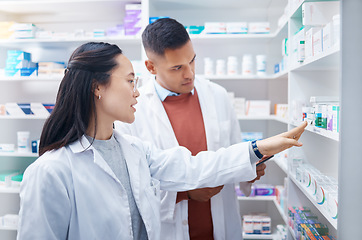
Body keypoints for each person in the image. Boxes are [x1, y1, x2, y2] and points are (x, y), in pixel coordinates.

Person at [17, 42, 307, 240]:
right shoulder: (51, 171)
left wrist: (260, 148)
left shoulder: (133, 150)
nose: (137, 92)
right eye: (130, 81)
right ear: (97, 87)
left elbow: (194, 168)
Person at [114, 18, 269, 240]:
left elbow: (236, 152)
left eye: (192, 61)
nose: (190, 74)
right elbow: (133, 186)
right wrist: (184, 193)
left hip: (220, 227)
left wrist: (250, 169)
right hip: (169, 230)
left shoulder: (218, 95)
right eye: (177, 68)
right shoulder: (134, 112)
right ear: (151, 67)